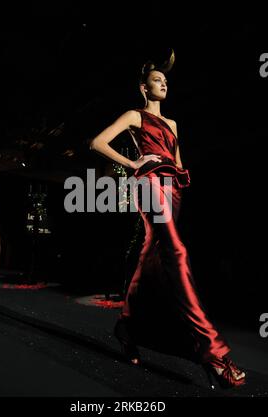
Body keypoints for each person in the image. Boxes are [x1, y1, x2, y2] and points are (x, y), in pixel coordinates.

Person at [89, 50, 246, 389]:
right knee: (177, 252)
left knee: (149, 256)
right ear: (143, 88)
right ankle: (212, 351)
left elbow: (178, 162)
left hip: (172, 188)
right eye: (157, 80)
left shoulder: (173, 124)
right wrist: (132, 165)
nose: (163, 84)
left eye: (165, 81)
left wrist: (176, 183)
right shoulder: (135, 115)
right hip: (147, 183)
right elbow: (97, 142)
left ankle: (127, 328)